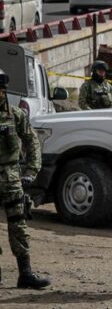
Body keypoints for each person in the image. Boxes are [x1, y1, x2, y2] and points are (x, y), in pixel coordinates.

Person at [0, 70, 50, 289]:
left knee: (18, 225)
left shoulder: (15, 115)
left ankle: (25, 273)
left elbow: (32, 142)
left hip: (11, 179)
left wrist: (31, 171)